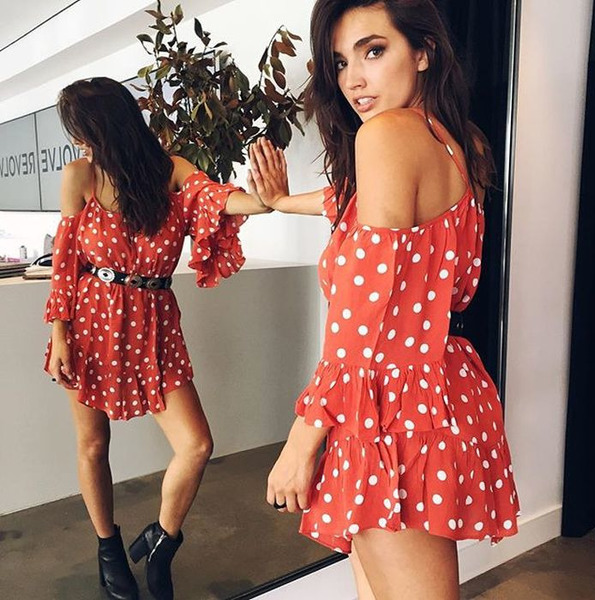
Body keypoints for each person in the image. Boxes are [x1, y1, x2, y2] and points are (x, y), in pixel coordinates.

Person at [248, 1, 520, 598]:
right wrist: (282, 202)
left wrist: (303, 438)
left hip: (388, 402)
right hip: (440, 387)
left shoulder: (386, 135)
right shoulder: (459, 144)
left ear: (423, 52)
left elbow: (363, 308)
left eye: (374, 51)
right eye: (341, 62)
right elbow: (354, 201)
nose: (354, 79)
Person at [44, 77, 275, 600]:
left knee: (196, 444)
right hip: (90, 323)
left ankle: (163, 541)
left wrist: (266, 200)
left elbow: (218, 199)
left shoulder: (171, 171)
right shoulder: (80, 175)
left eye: (81, 130)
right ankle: (108, 549)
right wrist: (59, 334)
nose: (77, 141)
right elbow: (65, 263)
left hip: (154, 326)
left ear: (106, 125)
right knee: (93, 444)